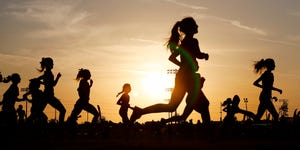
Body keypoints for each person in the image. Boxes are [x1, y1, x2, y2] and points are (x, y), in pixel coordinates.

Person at [130, 17, 209, 123]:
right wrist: (204, 55)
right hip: (188, 78)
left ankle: (140, 111)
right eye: (195, 24)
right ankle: (209, 134)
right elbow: (197, 54)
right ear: (190, 28)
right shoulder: (193, 41)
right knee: (204, 105)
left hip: (181, 77)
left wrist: (183, 65)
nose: (197, 26)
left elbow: (171, 58)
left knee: (171, 106)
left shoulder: (184, 43)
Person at [37, 57, 66, 125]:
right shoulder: (48, 73)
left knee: (38, 112)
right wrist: (58, 77)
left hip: (46, 95)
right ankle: (60, 128)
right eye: (52, 64)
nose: (53, 65)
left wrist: (38, 80)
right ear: (48, 64)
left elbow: (42, 79)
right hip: (49, 96)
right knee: (63, 110)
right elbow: (53, 84)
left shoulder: (47, 73)